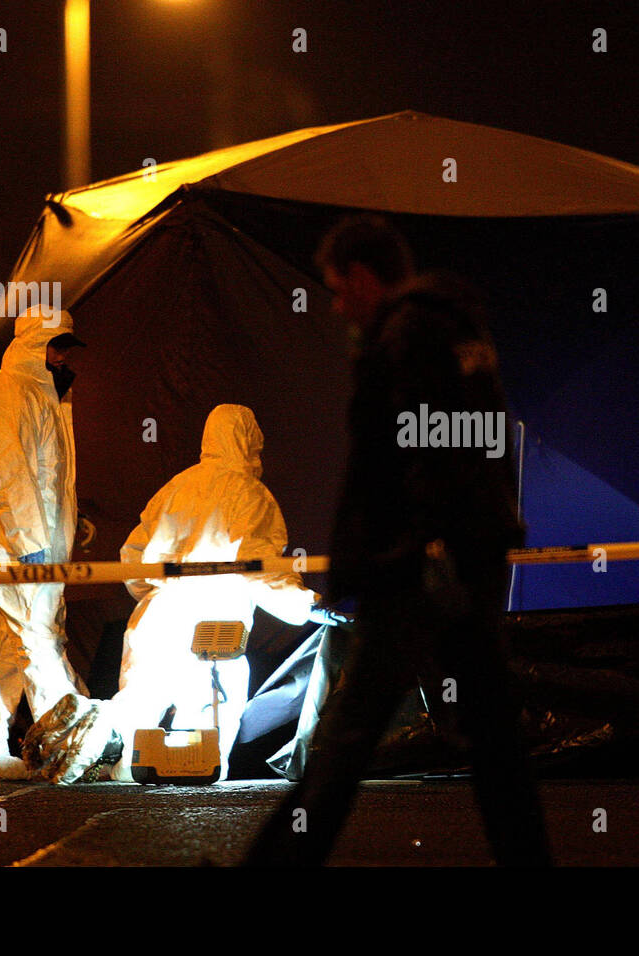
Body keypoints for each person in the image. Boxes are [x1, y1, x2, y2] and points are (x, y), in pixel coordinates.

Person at [244, 217, 552, 865]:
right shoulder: (461, 328)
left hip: (417, 568)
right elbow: (478, 444)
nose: (334, 306)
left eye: (336, 289)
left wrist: (406, 548)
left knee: (353, 733)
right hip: (465, 556)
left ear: (362, 276)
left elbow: (412, 453)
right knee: (489, 734)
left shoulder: (408, 334)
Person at [23, 404, 339, 784]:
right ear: (250, 443)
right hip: (214, 622)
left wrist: (154, 596)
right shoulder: (251, 494)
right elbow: (259, 570)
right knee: (210, 718)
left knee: (138, 702)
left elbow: (132, 557)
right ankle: (189, 791)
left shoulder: (175, 487)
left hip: (159, 613)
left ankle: (97, 749)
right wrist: (309, 606)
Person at [0, 306, 88, 779]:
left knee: (7, 648)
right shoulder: (6, 391)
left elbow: (51, 479)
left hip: (32, 546)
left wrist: (58, 535)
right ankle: (74, 742)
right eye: (57, 346)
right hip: (8, 547)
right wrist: (31, 541)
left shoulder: (44, 395)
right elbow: (8, 474)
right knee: (36, 640)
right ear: (36, 344)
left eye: (67, 348)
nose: (63, 357)